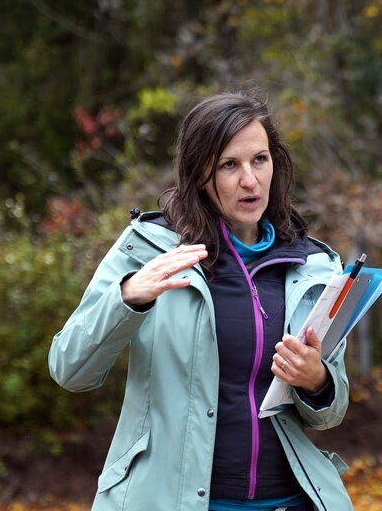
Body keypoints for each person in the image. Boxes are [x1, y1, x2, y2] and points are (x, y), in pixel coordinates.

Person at [48, 92, 353, 511]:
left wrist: (317, 380)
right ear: (199, 175)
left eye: (260, 160)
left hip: (290, 501)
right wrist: (128, 298)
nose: (250, 180)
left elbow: (328, 415)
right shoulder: (148, 250)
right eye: (230, 165)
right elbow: (70, 369)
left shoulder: (313, 266)